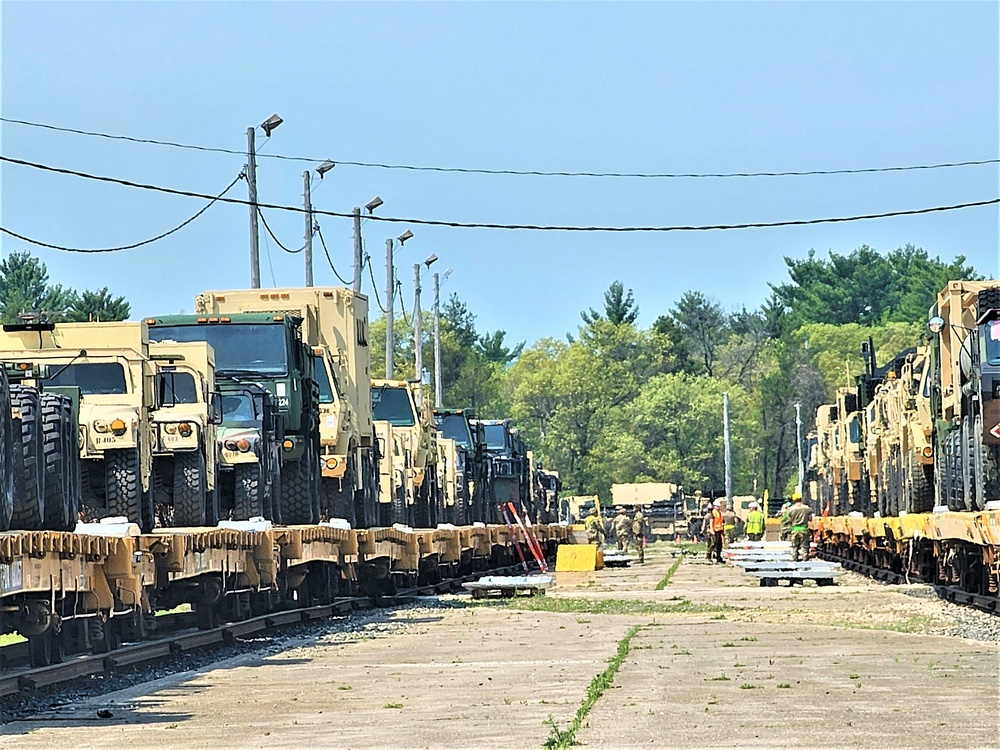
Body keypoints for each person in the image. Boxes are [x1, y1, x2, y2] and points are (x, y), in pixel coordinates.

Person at [786, 494, 814, 562]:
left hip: (795, 530)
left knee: (795, 547)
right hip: (804, 530)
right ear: (801, 499)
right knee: (804, 547)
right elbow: (810, 519)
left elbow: (789, 520)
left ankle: (795, 560)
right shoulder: (806, 508)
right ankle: (805, 560)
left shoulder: (791, 509)